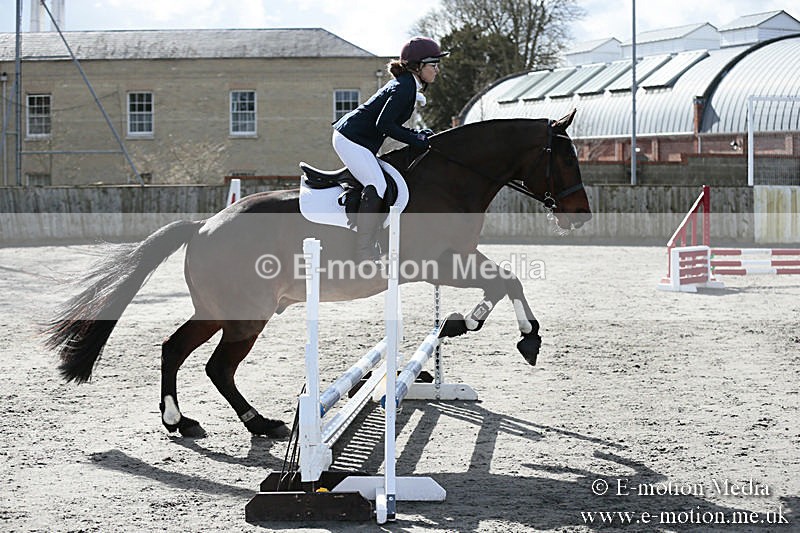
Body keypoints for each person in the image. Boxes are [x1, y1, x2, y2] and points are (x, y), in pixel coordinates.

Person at [332, 36, 448, 262]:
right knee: (377, 184)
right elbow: (384, 125)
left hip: (360, 140)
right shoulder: (405, 87)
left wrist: (417, 133)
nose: (437, 70)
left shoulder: (407, 85)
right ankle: (363, 250)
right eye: (433, 65)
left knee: (384, 180)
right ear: (418, 66)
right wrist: (416, 139)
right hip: (351, 139)